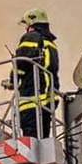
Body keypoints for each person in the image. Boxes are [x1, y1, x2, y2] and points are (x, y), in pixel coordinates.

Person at [13, 9, 59, 138]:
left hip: (32, 97)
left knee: (31, 137)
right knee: (42, 137)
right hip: (47, 98)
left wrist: (12, 80)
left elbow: (21, 62)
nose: (26, 28)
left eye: (26, 25)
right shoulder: (50, 43)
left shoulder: (31, 37)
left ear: (32, 23)